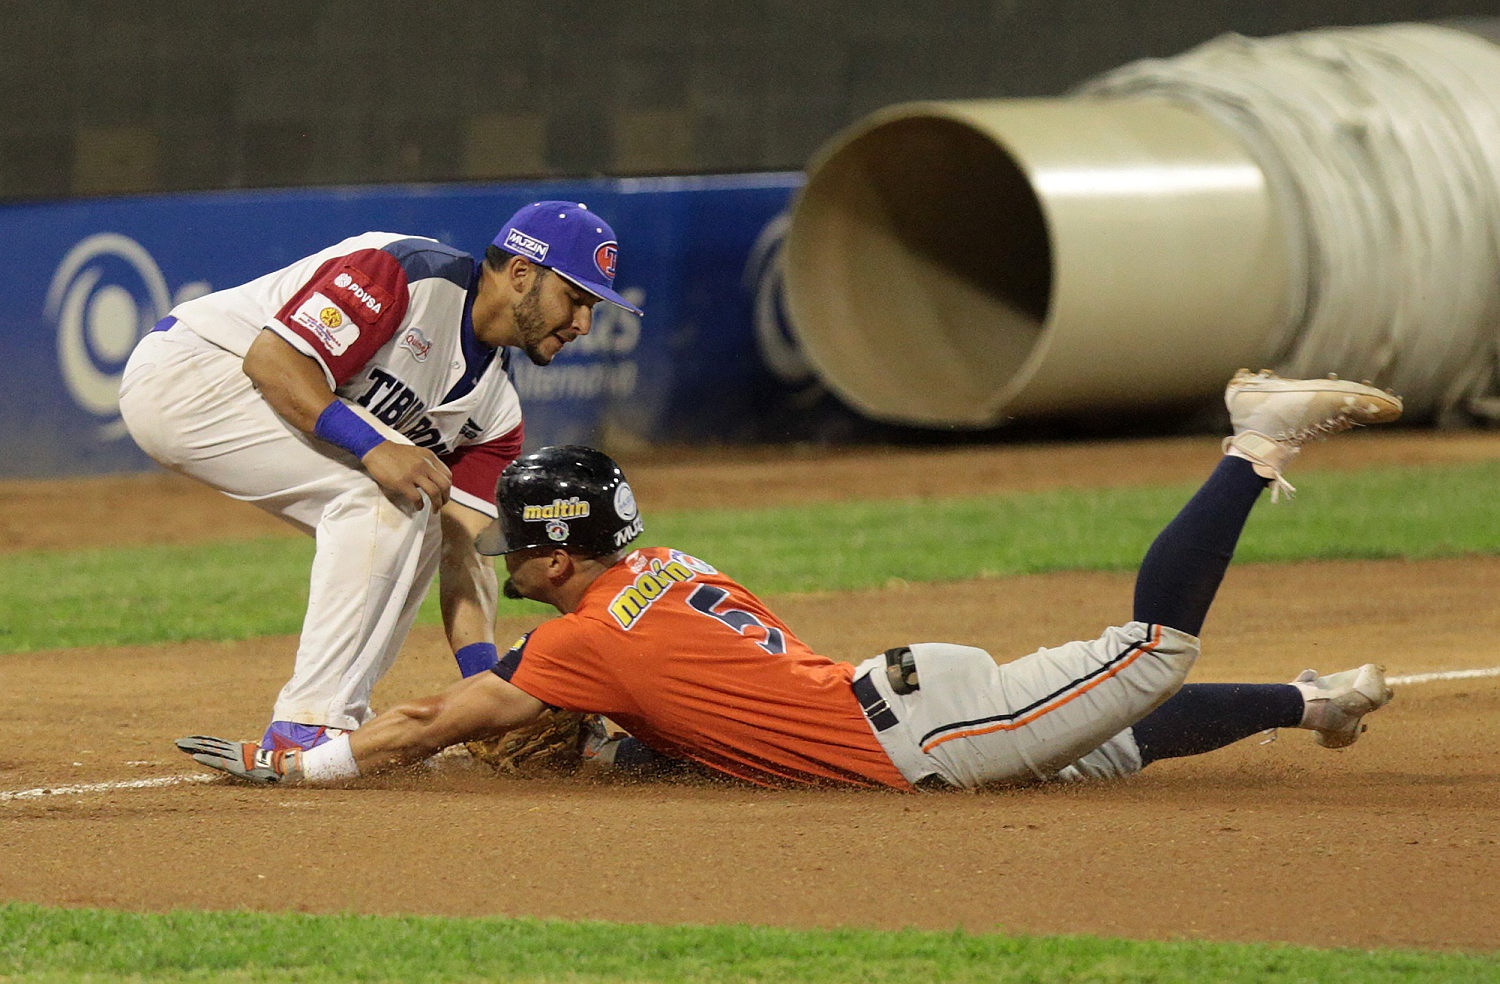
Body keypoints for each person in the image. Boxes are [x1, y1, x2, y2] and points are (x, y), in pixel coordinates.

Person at [177, 369, 1402, 789]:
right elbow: (682, 702)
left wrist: (311, 760)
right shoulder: (658, 571)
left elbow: (447, 715)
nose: (513, 562)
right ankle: (1313, 702)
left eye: (521, 550)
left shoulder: (582, 645)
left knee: (1150, 654)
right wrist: (615, 746)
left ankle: (1255, 440)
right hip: (906, 702)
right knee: (1110, 741)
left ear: (554, 553)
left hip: (920, 735)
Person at [122, 201, 643, 754]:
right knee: (388, 493)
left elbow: (461, 553)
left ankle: (338, 713)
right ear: (521, 274)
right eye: (577, 299)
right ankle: (309, 722)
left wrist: (486, 690)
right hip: (193, 370)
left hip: (246, 397)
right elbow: (272, 362)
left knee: (421, 515)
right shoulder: (409, 273)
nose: (584, 323)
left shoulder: (497, 414)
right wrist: (375, 449)